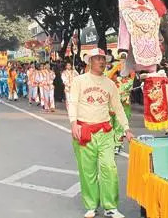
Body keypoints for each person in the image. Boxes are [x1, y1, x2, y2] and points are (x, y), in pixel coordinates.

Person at [68, 49, 133, 218]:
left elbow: (118, 108)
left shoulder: (110, 84)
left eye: (103, 59)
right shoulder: (79, 81)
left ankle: (111, 206)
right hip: (84, 131)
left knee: (109, 168)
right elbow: (73, 102)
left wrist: (126, 129)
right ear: (90, 62)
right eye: (97, 59)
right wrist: (73, 123)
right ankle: (91, 205)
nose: (102, 62)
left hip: (105, 131)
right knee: (87, 171)